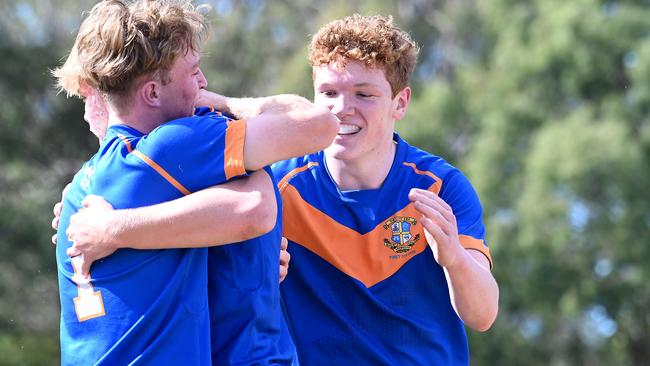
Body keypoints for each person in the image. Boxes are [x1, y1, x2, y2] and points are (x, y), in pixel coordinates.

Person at [55, 13, 498, 366]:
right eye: (328, 93)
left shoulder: (439, 187)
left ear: (401, 102)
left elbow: (483, 314)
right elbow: (190, 213)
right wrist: (91, 216)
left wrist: (454, 260)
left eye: (365, 94)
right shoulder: (282, 178)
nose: (343, 109)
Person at [52, 0, 337, 364]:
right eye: (194, 72)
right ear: (153, 93)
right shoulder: (171, 147)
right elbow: (316, 126)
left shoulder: (82, 184)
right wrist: (223, 103)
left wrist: (250, 258)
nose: (202, 84)